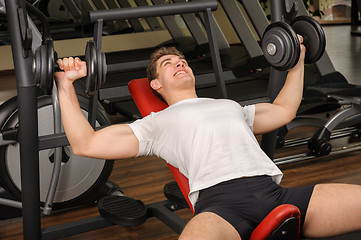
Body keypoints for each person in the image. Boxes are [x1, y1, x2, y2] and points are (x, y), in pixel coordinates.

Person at [55, 37, 361, 240]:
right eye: (168, 64)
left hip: (274, 194)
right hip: (221, 207)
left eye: (182, 61)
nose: (179, 63)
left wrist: (296, 62)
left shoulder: (230, 107)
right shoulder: (154, 124)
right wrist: (65, 84)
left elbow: (283, 109)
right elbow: (87, 144)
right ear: (156, 85)